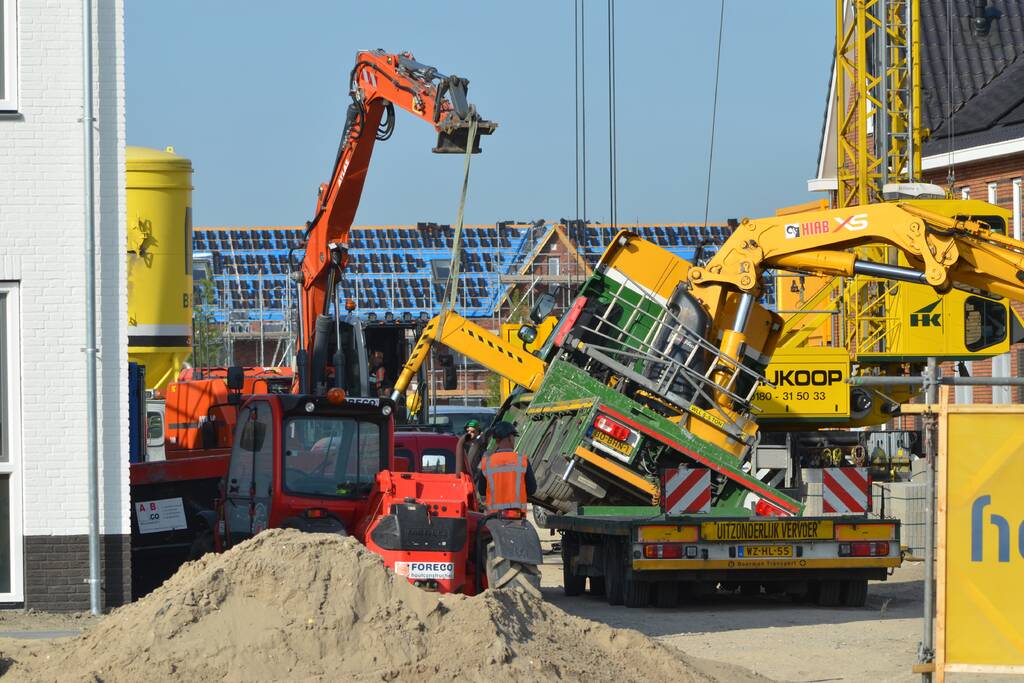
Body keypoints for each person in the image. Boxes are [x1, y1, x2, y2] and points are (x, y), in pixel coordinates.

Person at [475, 421, 537, 515]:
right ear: (510, 438)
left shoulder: (486, 462)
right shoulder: (522, 461)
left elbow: (482, 491)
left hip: (494, 517)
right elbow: (532, 489)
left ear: (496, 440)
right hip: (517, 516)